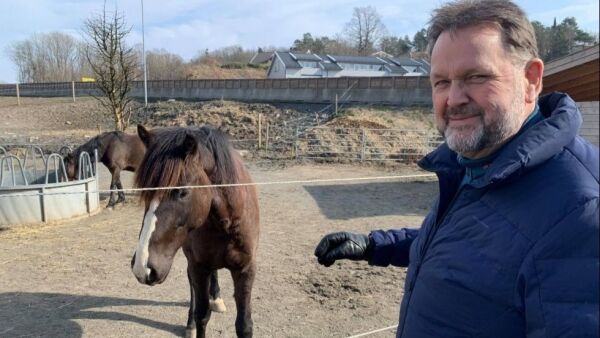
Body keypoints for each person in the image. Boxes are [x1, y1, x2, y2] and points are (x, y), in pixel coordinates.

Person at [314, 1, 599, 337]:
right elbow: (473, 244)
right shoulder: (478, 162)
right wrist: (378, 245)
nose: (453, 98)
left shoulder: (581, 212)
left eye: (476, 76)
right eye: (441, 82)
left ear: (531, 80)